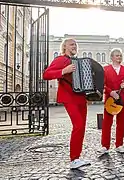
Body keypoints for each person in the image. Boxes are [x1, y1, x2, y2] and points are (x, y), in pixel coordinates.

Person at [43, 38, 90, 169]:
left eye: (76, 44)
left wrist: (89, 93)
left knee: (81, 127)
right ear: (64, 47)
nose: (74, 46)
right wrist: (64, 71)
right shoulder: (61, 59)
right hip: (69, 97)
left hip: (81, 98)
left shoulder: (79, 61)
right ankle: (73, 159)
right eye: (71, 44)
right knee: (78, 125)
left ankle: (77, 157)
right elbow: (46, 74)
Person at [97, 48, 124, 156]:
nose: (119, 57)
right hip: (110, 99)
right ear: (112, 57)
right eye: (117, 55)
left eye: (120, 55)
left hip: (123, 99)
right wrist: (110, 92)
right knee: (107, 123)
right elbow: (102, 85)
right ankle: (105, 146)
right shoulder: (105, 70)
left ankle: (119, 145)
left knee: (121, 123)